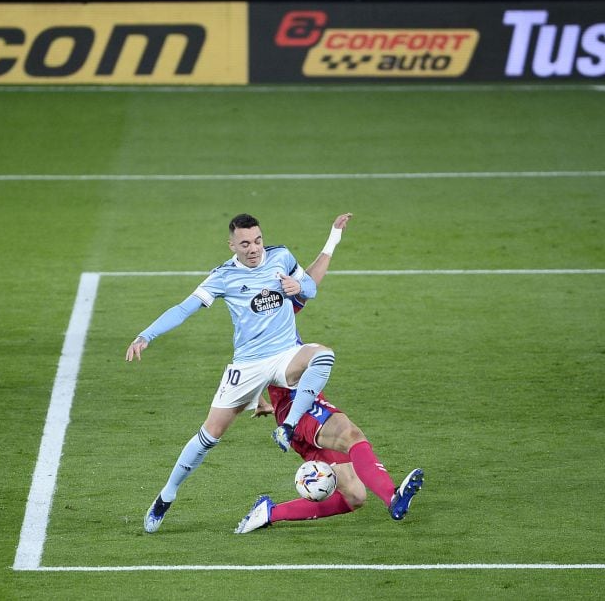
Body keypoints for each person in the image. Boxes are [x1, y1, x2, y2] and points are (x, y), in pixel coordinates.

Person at [126, 213, 341, 533]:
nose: (254, 248)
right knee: (209, 436)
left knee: (323, 355)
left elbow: (309, 289)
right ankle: (166, 496)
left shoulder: (281, 256)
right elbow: (184, 308)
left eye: (257, 240)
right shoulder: (223, 276)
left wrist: (300, 284)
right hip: (248, 365)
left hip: (285, 355)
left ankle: (288, 426)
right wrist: (146, 335)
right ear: (232, 245)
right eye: (245, 243)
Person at [234, 213, 423, 534]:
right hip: (298, 408)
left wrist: (333, 238)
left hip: (294, 410)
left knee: (355, 496)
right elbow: (247, 366)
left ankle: (269, 513)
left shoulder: (279, 306)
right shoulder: (255, 326)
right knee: (351, 435)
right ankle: (393, 498)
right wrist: (257, 399)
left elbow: (309, 281)